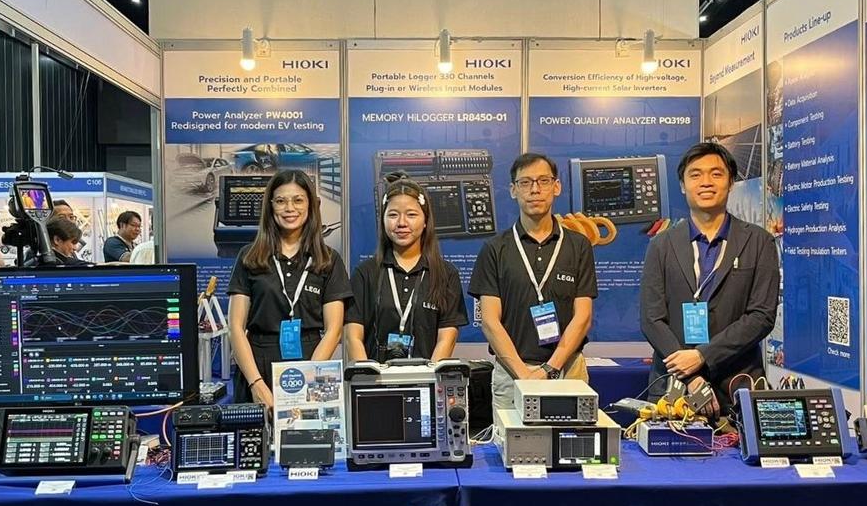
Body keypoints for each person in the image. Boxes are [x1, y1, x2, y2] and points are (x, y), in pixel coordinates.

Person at [640, 141, 779, 413]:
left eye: (716, 174)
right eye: (695, 174)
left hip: (736, 384)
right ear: (683, 185)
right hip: (674, 386)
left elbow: (761, 316)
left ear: (731, 183)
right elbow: (651, 318)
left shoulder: (759, 242)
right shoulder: (661, 245)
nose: (706, 182)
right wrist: (691, 376)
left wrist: (703, 355)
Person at [469, 152, 597, 411]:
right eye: (525, 182)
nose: (535, 190)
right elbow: (490, 321)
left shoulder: (578, 246)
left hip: (568, 369)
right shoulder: (495, 249)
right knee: (512, 437)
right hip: (511, 373)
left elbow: (582, 317)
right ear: (513, 190)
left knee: (571, 437)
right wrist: (524, 375)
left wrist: (549, 368)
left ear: (556, 186)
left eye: (543, 181)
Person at [227, 170, 353, 407]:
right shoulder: (249, 256)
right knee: (257, 431)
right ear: (270, 206)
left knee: (311, 431)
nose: (289, 208)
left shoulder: (328, 259)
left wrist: (308, 379)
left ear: (310, 205)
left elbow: (334, 330)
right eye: (281, 201)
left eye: (298, 200)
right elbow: (235, 327)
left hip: (313, 363)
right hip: (258, 366)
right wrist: (256, 384)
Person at [345, 176, 468, 363]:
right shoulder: (365, 273)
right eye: (393, 215)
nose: (401, 223)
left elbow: (447, 338)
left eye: (411, 215)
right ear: (383, 220)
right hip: (375, 377)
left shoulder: (446, 274)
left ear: (425, 220)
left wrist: (428, 376)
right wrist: (367, 375)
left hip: (426, 376)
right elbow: (352, 336)